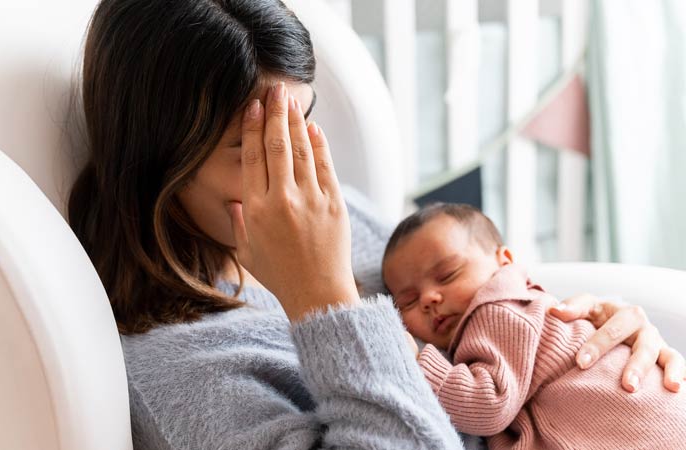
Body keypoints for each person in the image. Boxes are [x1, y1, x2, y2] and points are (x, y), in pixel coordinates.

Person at [67, 0, 685, 448]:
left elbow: (478, 303)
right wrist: (322, 299)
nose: (299, 165)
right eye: (256, 146)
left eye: (302, 121)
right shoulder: (181, 369)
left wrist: (586, 333)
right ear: (162, 164)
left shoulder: (342, 215)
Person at [381, 203, 686, 449]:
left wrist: (418, 364)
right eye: (408, 301)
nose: (429, 299)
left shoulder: (499, 307)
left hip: (644, 426)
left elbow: (490, 404)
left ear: (504, 260)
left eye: (448, 274)